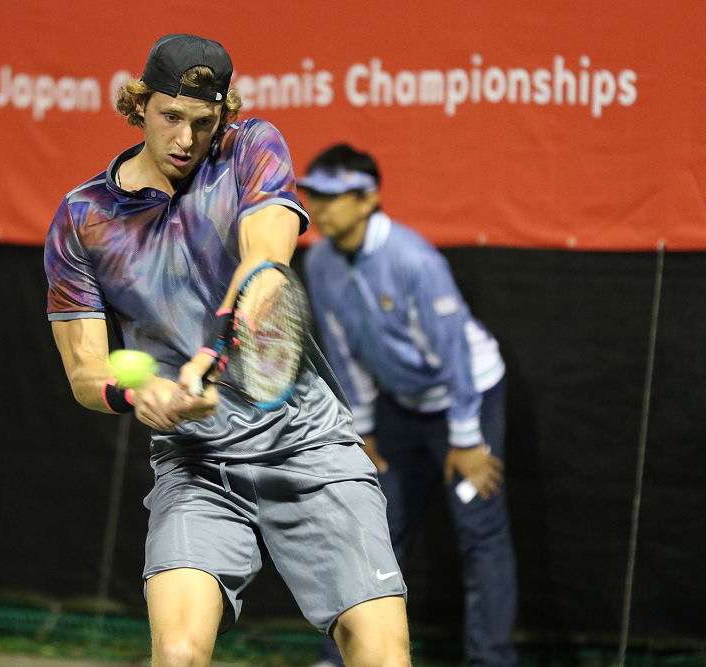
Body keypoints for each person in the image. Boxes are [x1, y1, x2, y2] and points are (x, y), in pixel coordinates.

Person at [44, 35, 411, 667]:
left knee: (382, 655)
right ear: (139, 105)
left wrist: (218, 343)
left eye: (203, 121)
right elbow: (85, 371)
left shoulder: (250, 147)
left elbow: (266, 260)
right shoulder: (84, 218)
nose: (186, 139)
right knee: (178, 654)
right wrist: (136, 393)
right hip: (196, 462)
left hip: (308, 445)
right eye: (171, 117)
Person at [299, 144, 518, 667]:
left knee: (480, 532)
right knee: (373, 529)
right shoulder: (321, 261)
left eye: (332, 196)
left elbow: (456, 355)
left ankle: (491, 661)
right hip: (399, 407)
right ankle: (341, 657)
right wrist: (364, 429)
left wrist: (467, 438)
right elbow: (342, 351)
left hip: (467, 401)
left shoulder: (414, 260)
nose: (320, 208)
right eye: (313, 196)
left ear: (368, 198)